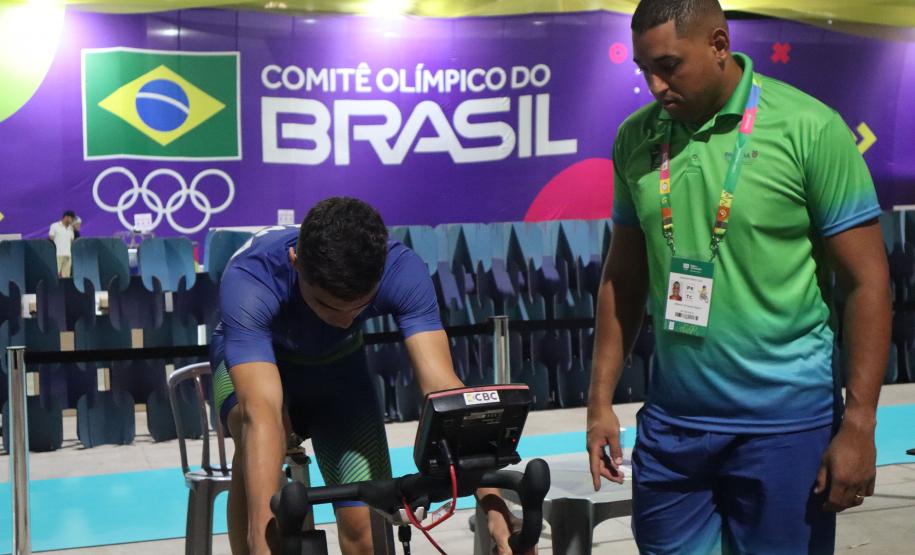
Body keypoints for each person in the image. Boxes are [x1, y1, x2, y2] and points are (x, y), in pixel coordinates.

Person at [585, 1, 891, 553]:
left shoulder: (810, 129)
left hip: (786, 429)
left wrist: (861, 423)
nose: (655, 85)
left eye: (669, 66)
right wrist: (599, 401)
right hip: (672, 429)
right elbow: (622, 278)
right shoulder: (636, 140)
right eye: (643, 70)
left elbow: (868, 282)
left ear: (719, 45)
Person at [211, 197, 528, 555]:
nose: (345, 320)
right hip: (261, 367)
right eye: (328, 306)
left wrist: (495, 510)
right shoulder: (252, 277)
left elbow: (444, 392)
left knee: (364, 526)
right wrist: (261, 542)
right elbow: (261, 413)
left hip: (339, 371)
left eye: (360, 306)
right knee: (256, 432)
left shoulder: (400, 268)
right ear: (296, 262)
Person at [48, 210, 76, 278]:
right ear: (66, 217)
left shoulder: (71, 228)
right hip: (57, 255)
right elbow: (51, 238)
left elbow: (71, 241)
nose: (72, 220)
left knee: (66, 276)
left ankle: (65, 288)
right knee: (55, 275)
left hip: (68, 255)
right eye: (71, 218)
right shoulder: (54, 226)